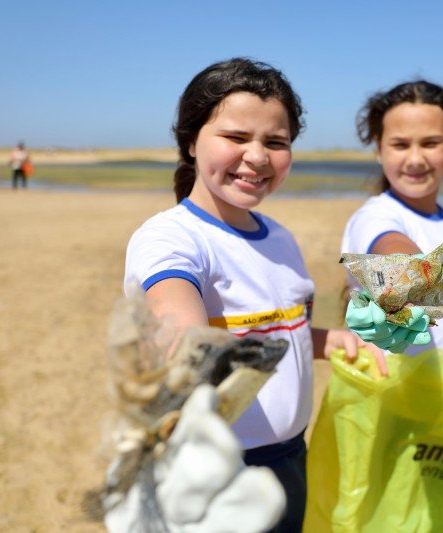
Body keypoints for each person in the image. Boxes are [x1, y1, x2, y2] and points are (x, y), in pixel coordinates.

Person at [123, 58, 388, 533]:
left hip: (291, 455)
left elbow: (277, 332)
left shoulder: (280, 238)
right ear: (190, 141)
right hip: (219, 470)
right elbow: (178, 326)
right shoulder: (172, 238)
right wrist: (183, 343)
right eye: (236, 137)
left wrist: (331, 341)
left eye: (276, 142)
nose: (258, 156)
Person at [341, 80, 443, 532]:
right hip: (398, 417)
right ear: (379, 149)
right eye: (400, 144)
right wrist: (407, 271)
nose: (415, 159)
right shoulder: (375, 217)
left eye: (430, 143)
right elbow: (391, 248)